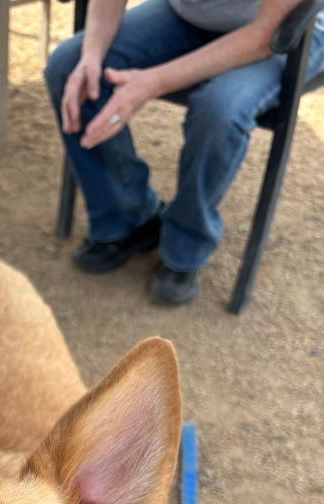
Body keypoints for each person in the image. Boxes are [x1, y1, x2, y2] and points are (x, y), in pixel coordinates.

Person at [44, 0, 324, 303]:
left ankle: (185, 244)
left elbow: (263, 35)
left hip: (281, 31)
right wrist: (91, 57)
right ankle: (128, 218)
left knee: (219, 111)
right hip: (191, 16)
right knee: (67, 65)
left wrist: (152, 82)